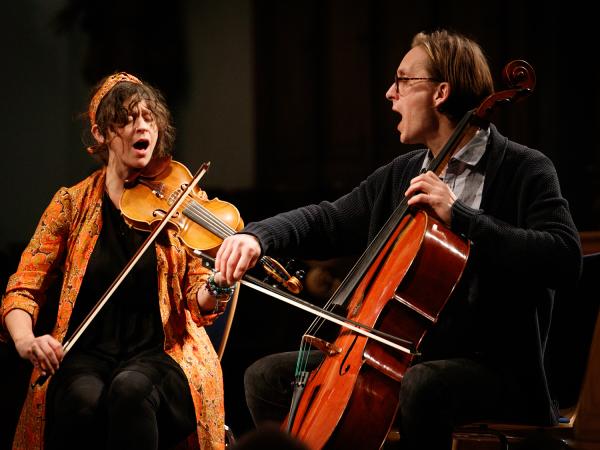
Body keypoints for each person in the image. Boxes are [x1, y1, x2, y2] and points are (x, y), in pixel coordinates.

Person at [214, 29, 583, 449]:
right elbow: (329, 218)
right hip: (405, 358)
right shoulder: (402, 174)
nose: (391, 93)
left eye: (404, 80)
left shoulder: (525, 169)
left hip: (498, 370)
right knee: (267, 378)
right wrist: (257, 237)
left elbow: (565, 258)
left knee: (423, 386)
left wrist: (461, 216)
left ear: (441, 92)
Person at [0, 72, 235, 449]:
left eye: (148, 117)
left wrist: (218, 283)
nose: (141, 126)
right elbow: (24, 284)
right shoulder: (71, 204)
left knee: (130, 392)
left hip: (165, 352)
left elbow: (197, 299)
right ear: (100, 134)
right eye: (125, 119)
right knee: (80, 400)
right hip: (87, 354)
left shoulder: (180, 201)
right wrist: (26, 340)